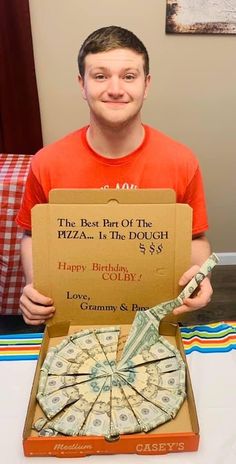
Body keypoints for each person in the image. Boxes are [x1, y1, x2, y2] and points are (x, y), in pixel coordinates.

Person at [16, 25, 212, 326]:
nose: (116, 89)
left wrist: (200, 274)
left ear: (146, 85)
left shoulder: (181, 161)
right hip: (71, 319)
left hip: (156, 320)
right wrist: (35, 285)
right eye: (100, 76)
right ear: (82, 84)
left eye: (129, 76)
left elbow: (195, 238)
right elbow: (32, 234)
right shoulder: (47, 162)